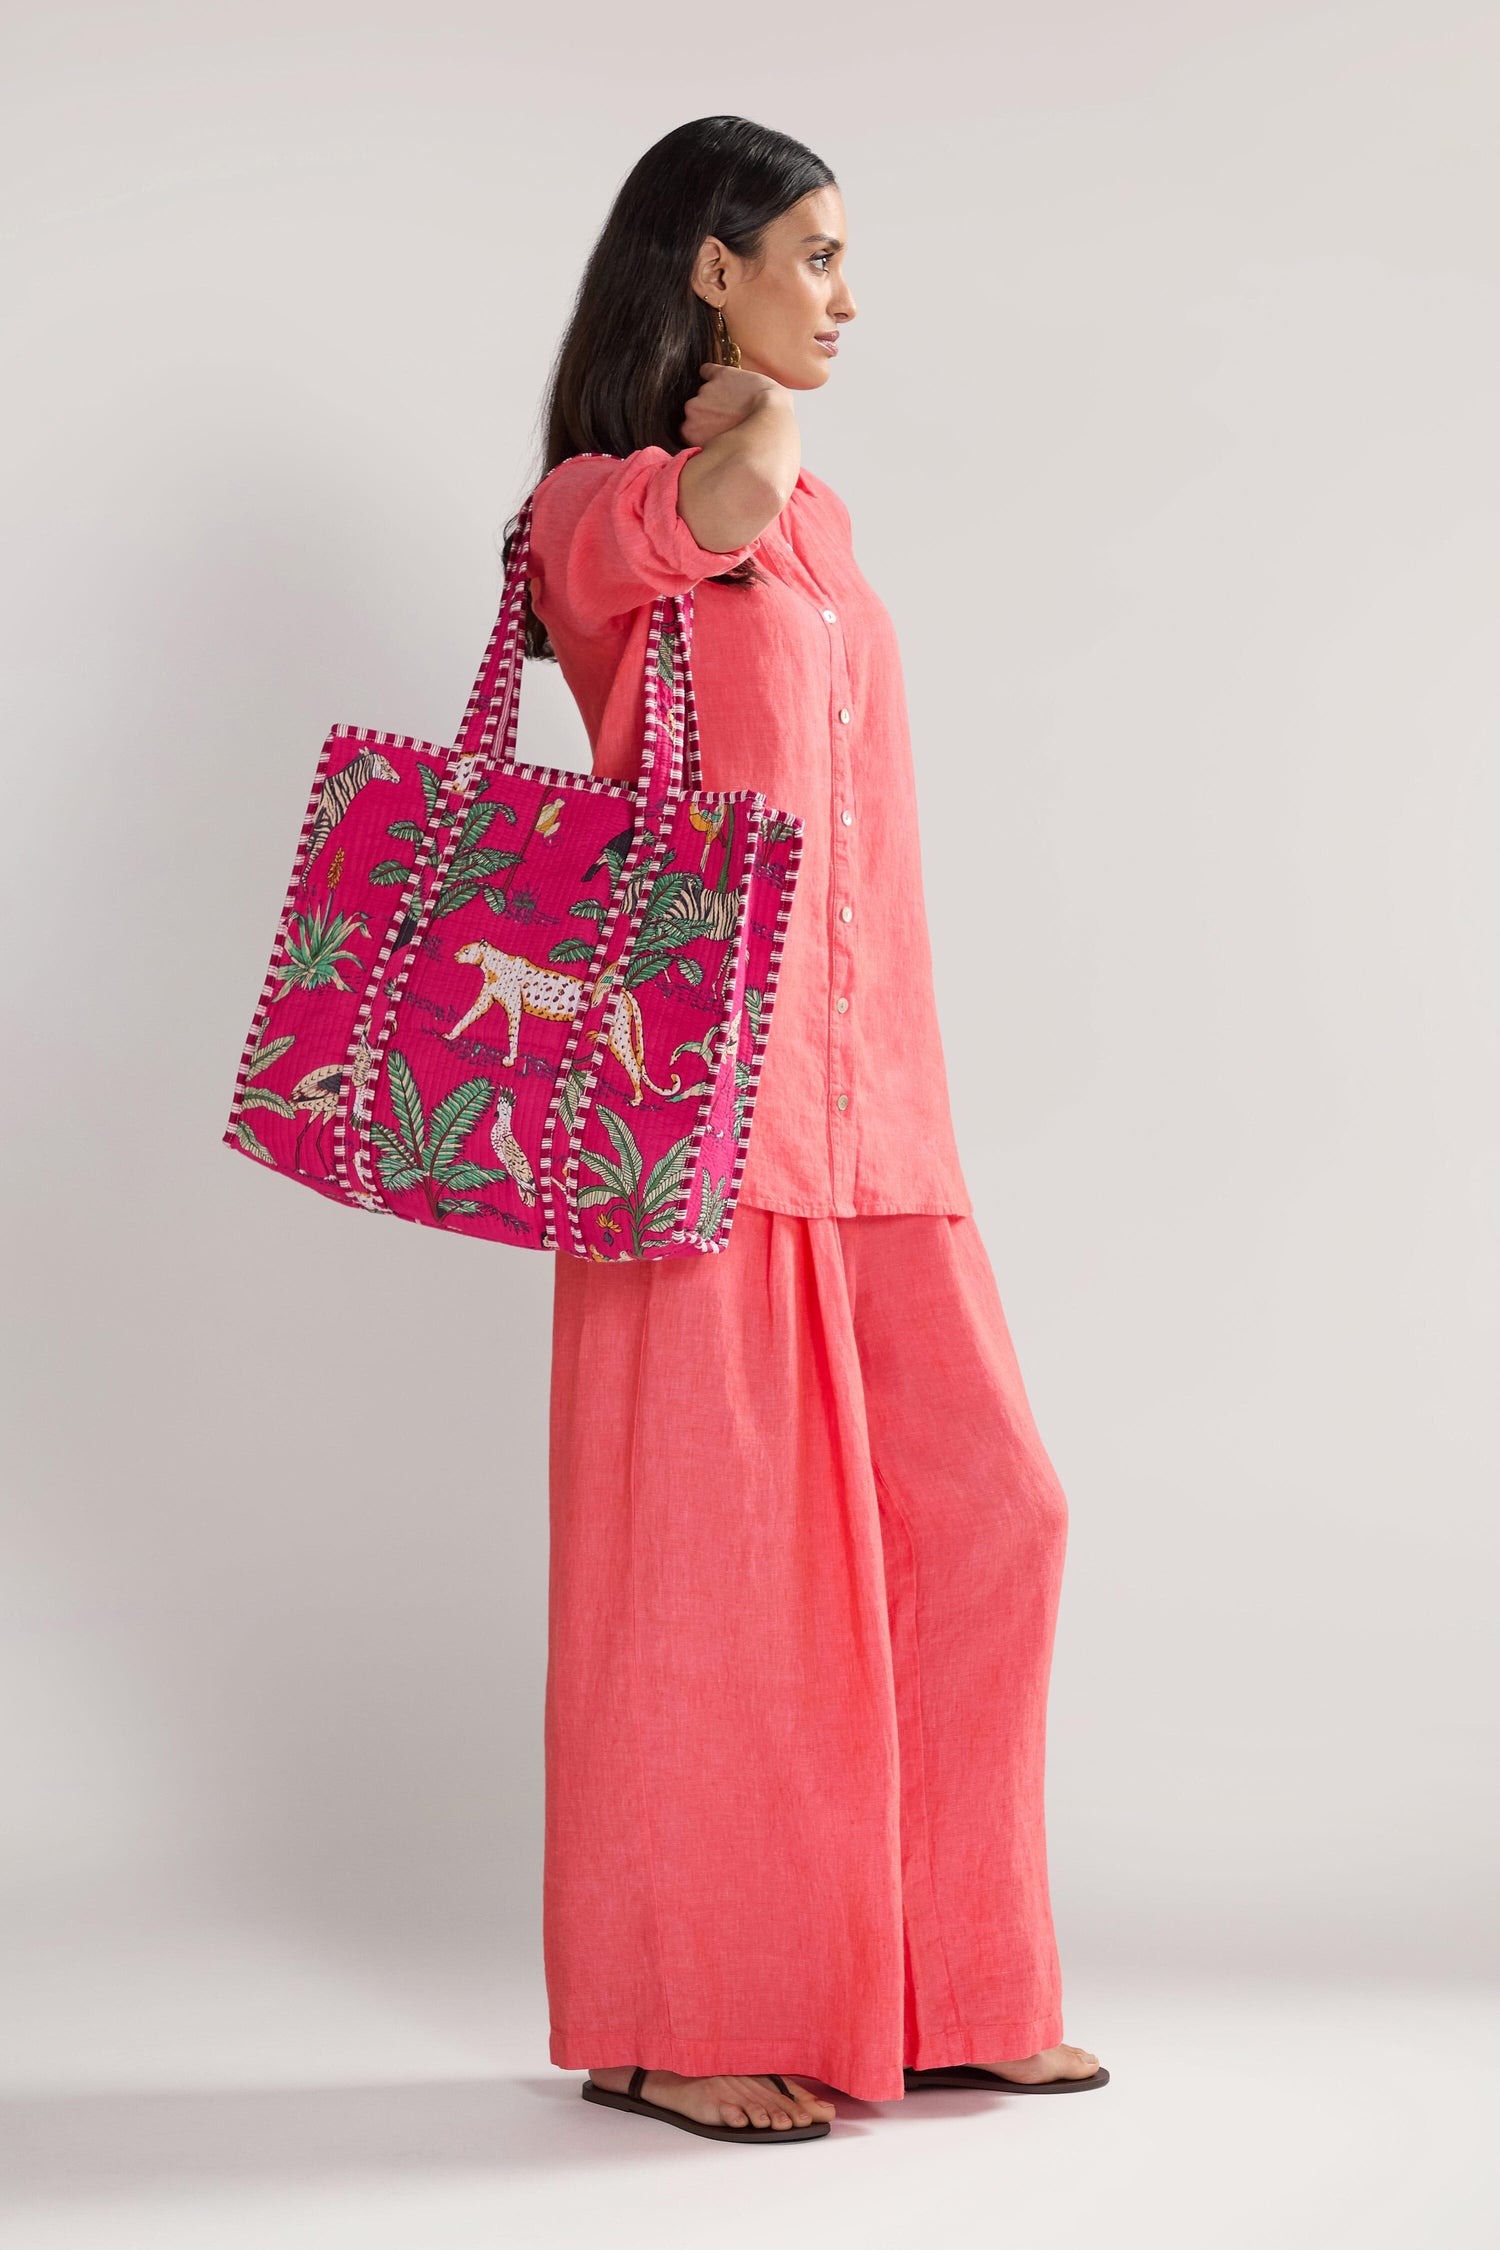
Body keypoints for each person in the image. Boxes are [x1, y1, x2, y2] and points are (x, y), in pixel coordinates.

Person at [515, 115, 1105, 2145]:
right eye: (818, 256)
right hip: (696, 1118)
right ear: (710, 266)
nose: (849, 297)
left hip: (881, 1120)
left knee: (992, 1520)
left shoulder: (827, 529)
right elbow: (731, 484)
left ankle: (947, 1984)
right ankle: (682, 2014)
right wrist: (742, 406)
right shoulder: (599, 511)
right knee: (713, 1575)